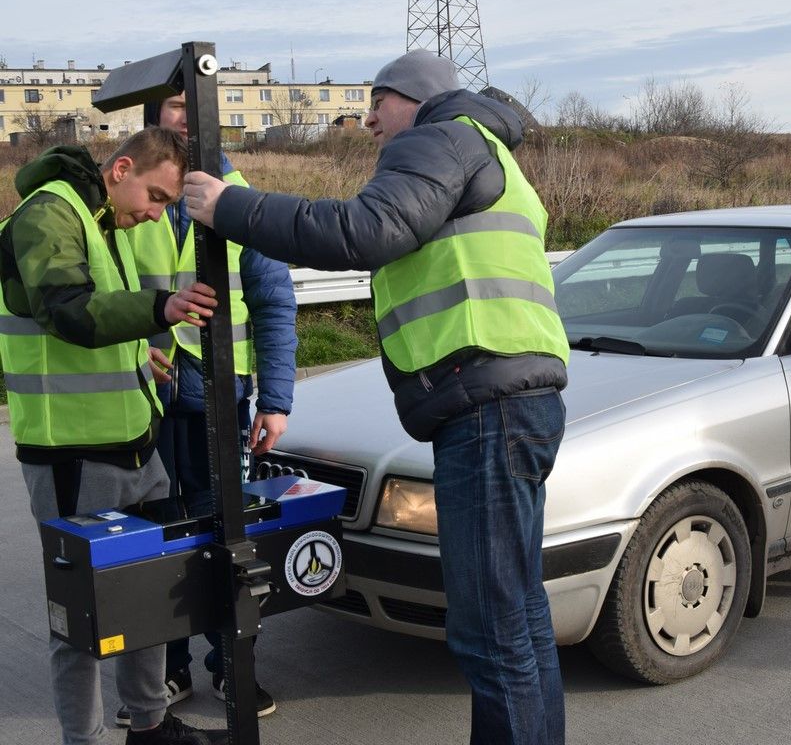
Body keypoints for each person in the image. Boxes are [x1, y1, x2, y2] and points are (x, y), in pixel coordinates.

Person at [183, 49, 570, 744]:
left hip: (487, 406)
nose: (367, 122)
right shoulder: (491, 154)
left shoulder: (439, 138)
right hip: (515, 401)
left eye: (378, 103)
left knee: (489, 631)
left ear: (416, 100)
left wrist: (229, 206)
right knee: (517, 619)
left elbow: (362, 231)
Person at [0, 128, 224, 744]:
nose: (154, 214)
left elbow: (104, 319)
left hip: (134, 445)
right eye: (153, 196)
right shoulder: (49, 214)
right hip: (71, 454)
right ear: (121, 168)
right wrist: (160, 310)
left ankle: (149, 726)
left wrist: (140, 357)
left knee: (146, 596)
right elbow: (68, 310)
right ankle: (84, 739)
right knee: (80, 620)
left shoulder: (104, 219)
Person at [113, 90, 296, 726]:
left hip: (227, 393)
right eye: (174, 103)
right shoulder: (129, 197)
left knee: (227, 531)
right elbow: (110, 297)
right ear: (152, 119)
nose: (188, 114)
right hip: (152, 397)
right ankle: (167, 672)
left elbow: (273, 302)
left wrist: (275, 400)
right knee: (158, 535)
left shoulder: (244, 199)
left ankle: (231, 668)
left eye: (200, 102)